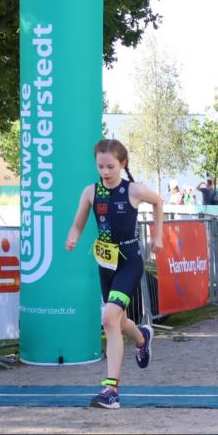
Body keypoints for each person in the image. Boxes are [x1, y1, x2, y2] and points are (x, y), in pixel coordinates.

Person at [64, 138, 163, 410]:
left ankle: (111, 391)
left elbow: (158, 202)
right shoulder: (90, 192)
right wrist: (72, 237)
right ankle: (142, 337)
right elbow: (77, 224)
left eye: (110, 166)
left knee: (108, 318)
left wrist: (158, 237)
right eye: (100, 167)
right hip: (106, 264)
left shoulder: (134, 190)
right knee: (117, 322)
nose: (105, 172)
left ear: (122, 164)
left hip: (129, 262)